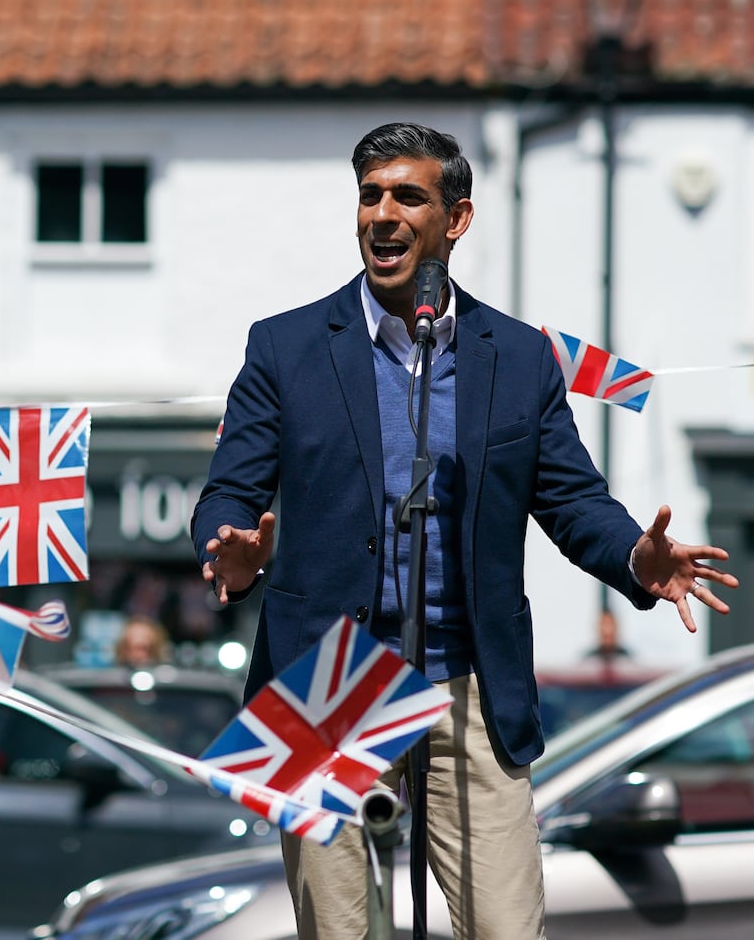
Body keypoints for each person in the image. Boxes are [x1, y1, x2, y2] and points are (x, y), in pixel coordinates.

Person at [190, 122, 737, 940]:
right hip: (324, 683)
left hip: (467, 683)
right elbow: (229, 490)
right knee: (342, 932)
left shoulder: (517, 357)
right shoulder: (286, 346)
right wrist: (234, 549)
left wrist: (635, 556)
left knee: (508, 927)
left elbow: (571, 500)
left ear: (457, 217)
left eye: (407, 195)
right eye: (370, 195)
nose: (383, 213)